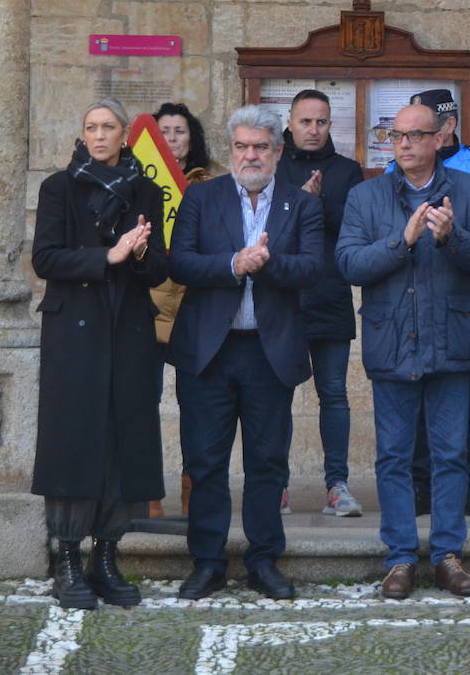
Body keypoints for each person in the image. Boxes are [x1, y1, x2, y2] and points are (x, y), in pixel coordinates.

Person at [336, 103, 470, 599]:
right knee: (393, 457)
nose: (403, 144)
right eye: (395, 136)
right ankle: (401, 558)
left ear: (439, 139)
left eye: (414, 135)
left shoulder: (469, 192)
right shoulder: (366, 196)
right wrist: (401, 240)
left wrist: (453, 238)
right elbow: (347, 263)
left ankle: (449, 555)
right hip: (392, 343)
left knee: (451, 454)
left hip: (452, 341)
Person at [168, 105, 324, 601]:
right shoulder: (201, 196)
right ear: (230, 150)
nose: (250, 155)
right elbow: (182, 262)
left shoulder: (302, 205)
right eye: (241, 146)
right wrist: (234, 263)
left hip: (268, 352)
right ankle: (208, 562)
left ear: (278, 152)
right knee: (205, 461)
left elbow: (312, 269)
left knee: (267, 463)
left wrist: (266, 264)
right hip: (209, 352)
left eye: (260, 146)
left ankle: (263, 561)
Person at [32, 98, 168, 609]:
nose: (98, 135)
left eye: (108, 127)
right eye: (90, 127)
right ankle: (68, 559)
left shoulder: (145, 190)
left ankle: (106, 556)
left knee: (123, 437)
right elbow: (45, 258)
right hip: (75, 333)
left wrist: (137, 256)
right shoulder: (58, 188)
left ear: (125, 133)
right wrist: (104, 256)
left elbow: (158, 270)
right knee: (73, 437)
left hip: (128, 329)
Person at [393, 89, 470, 520]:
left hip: (468, 291)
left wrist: (451, 227)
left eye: (440, 124)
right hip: (415, 291)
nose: (433, 134)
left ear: (449, 127)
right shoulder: (399, 165)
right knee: (419, 390)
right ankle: (422, 486)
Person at [276, 88, 365, 518]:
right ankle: (276, 484)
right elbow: (267, 228)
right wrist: (301, 203)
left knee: (333, 394)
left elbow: (353, 226)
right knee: (277, 394)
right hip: (282, 297)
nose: (313, 130)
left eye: (322, 122)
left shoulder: (347, 171)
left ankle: (337, 484)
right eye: (305, 121)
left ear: (332, 125)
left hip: (329, 293)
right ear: (290, 123)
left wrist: (314, 204)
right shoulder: (273, 167)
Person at [149, 102, 212, 518]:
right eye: (165, 131)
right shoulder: (139, 181)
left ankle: (194, 490)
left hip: (195, 308)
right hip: (149, 307)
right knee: (143, 402)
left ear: (193, 139)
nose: (172, 139)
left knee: (197, 406)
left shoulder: (210, 185)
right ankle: (149, 491)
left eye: (180, 131)